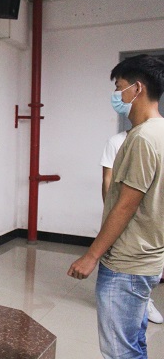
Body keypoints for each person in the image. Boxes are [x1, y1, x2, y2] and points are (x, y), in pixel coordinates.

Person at [68, 54, 164, 358]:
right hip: (148, 257)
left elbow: (125, 206)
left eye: (119, 87)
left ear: (137, 88)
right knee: (134, 342)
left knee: (120, 351)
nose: (116, 95)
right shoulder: (160, 132)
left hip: (127, 263)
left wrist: (91, 256)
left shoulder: (142, 138)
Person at [100, 130, 164, 325]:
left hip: (150, 224)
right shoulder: (116, 141)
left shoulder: (149, 138)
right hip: (124, 218)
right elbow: (107, 179)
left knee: (144, 269)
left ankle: (143, 302)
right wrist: (111, 213)